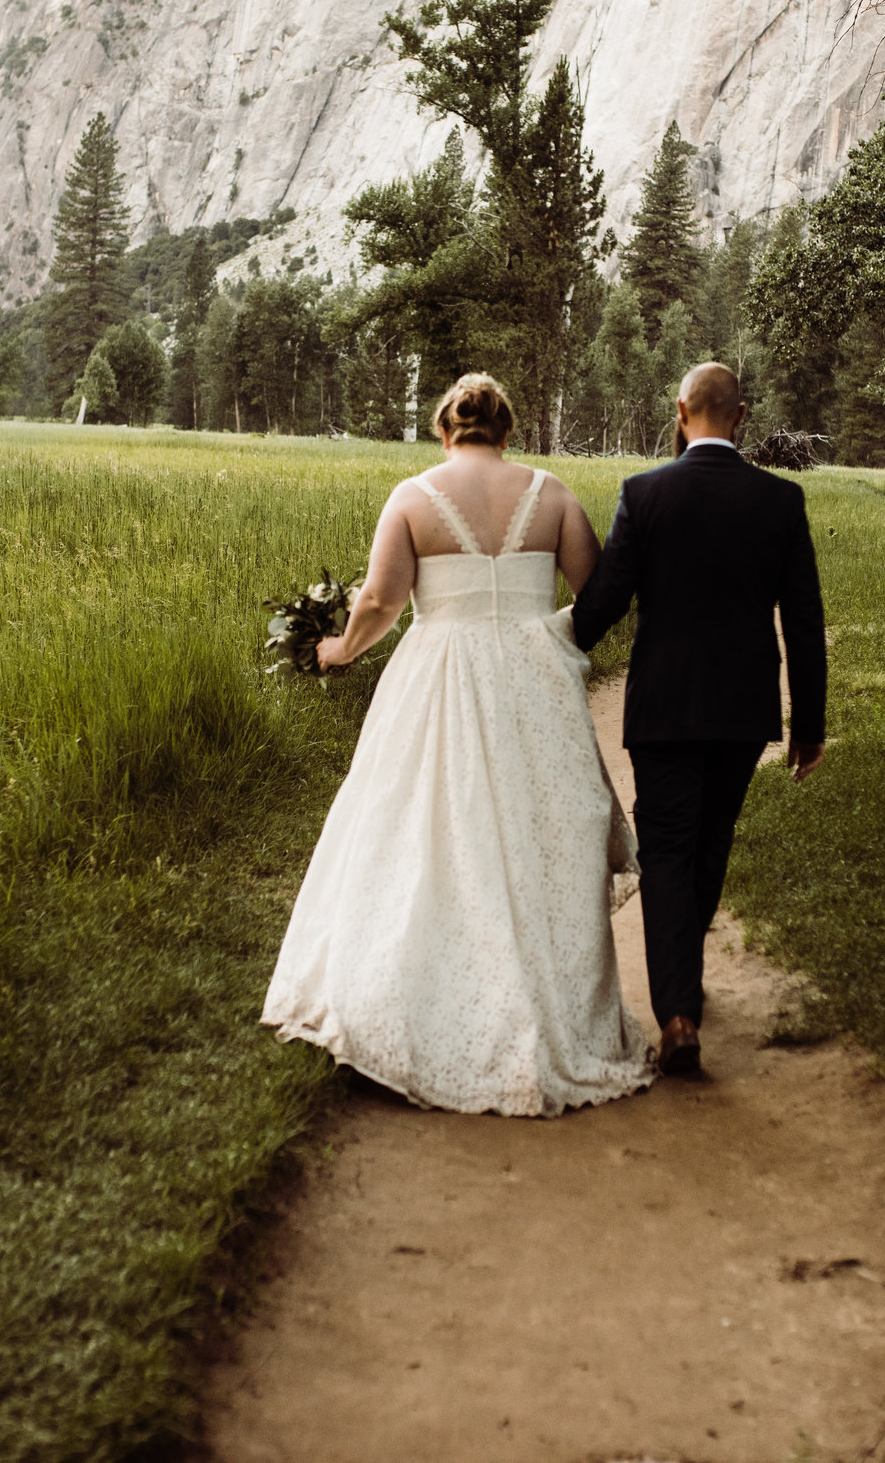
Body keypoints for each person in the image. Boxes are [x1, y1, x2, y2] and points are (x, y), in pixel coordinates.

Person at [261, 374, 653, 1116]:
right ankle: (552, 1007)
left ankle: (433, 995)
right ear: (507, 430)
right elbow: (598, 589)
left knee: (431, 828)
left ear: (445, 430)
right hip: (537, 683)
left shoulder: (413, 497)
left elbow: (379, 601)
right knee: (539, 832)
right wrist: (546, 637)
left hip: (439, 676)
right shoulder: (555, 494)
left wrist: (342, 649)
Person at [571, 362, 826, 1075]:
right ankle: (684, 989)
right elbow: (803, 622)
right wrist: (809, 724)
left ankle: (678, 1010)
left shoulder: (646, 494)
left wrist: (549, 641)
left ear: (680, 410)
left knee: (670, 850)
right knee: (710, 840)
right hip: (744, 709)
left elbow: (606, 602)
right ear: (739, 415)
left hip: (664, 707)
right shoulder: (780, 500)